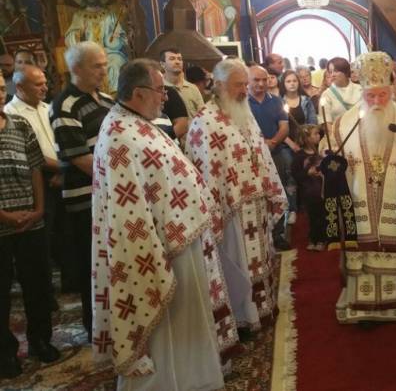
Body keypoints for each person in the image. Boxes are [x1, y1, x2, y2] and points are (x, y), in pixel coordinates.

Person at [91, 59, 229, 389]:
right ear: (138, 92)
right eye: (159, 90)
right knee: (167, 325)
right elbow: (128, 208)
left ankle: (194, 380)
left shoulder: (138, 123)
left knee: (185, 322)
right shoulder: (119, 135)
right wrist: (150, 250)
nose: (165, 97)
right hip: (157, 250)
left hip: (180, 238)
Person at [186, 58, 288, 336]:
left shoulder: (244, 112)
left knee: (260, 258)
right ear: (219, 85)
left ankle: (263, 307)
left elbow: (260, 153)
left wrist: (268, 187)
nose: (245, 90)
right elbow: (204, 169)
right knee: (237, 261)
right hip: (229, 209)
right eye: (238, 85)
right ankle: (242, 318)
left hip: (256, 203)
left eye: (245, 84)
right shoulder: (204, 121)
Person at [324, 51, 396, 323]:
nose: (376, 101)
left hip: (394, 200)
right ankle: (359, 303)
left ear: (390, 90)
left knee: (392, 240)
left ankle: (392, 303)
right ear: (362, 93)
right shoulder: (344, 124)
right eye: (371, 95)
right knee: (359, 246)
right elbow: (332, 156)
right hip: (358, 201)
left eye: (382, 95)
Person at [50, 41, 114, 336]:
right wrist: (118, 181)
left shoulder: (105, 100)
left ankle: (117, 321)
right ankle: (96, 328)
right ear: (76, 68)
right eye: (96, 65)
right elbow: (79, 158)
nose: (104, 70)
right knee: (93, 266)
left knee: (114, 263)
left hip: (111, 195)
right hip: (86, 200)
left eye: (104, 64)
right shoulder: (65, 105)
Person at [0, 88, 59, 379]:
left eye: (1, 88)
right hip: (2, 223)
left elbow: (36, 168)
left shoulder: (20, 124)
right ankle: (5, 353)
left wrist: (38, 209)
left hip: (30, 220)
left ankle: (40, 340)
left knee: (37, 285)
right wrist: (4, 216)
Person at [5, 66, 61, 300]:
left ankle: (65, 285)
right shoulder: (12, 113)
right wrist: (63, 168)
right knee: (40, 245)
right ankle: (46, 295)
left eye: (45, 82)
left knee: (61, 238)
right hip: (37, 181)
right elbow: (33, 158)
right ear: (19, 87)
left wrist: (65, 171)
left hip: (59, 177)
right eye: (38, 84)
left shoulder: (49, 108)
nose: (45, 88)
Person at [246, 65, 294, 246]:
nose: (261, 84)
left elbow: (284, 127)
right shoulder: (242, 102)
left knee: (277, 192)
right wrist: (259, 144)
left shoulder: (276, 101)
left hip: (275, 153)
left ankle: (278, 233)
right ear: (248, 81)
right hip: (250, 155)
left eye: (264, 80)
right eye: (256, 80)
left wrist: (272, 142)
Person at [64, 0, 127, 93]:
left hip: (108, 50)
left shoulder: (108, 14)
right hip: (89, 52)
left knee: (116, 61)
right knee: (90, 64)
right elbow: (70, 34)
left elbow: (119, 32)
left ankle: (115, 93)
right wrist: (77, 34)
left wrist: (117, 36)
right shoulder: (79, 15)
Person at [291, 124, 325, 251]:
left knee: (322, 215)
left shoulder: (320, 152)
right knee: (312, 216)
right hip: (308, 193)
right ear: (306, 138)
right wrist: (307, 172)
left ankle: (321, 239)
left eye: (318, 133)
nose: (318, 136)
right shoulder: (299, 156)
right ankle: (313, 238)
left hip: (321, 191)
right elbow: (296, 175)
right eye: (315, 134)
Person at [161, 48, 205, 119]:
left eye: (179, 59)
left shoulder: (192, 88)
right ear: (163, 64)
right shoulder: (159, 88)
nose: (177, 62)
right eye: (172, 59)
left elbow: (203, 114)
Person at [281, 70, 318, 152]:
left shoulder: (306, 100)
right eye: (288, 81)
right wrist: (291, 144)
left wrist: (307, 141)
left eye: (295, 81)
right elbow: (277, 127)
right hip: (287, 144)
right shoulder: (279, 102)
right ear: (283, 84)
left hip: (307, 141)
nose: (292, 83)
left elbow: (313, 123)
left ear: (298, 83)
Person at [319, 57, 362, 126]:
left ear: (345, 72)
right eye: (330, 72)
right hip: (338, 131)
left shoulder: (360, 89)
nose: (332, 75)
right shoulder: (326, 95)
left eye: (336, 71)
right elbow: (326, 123)